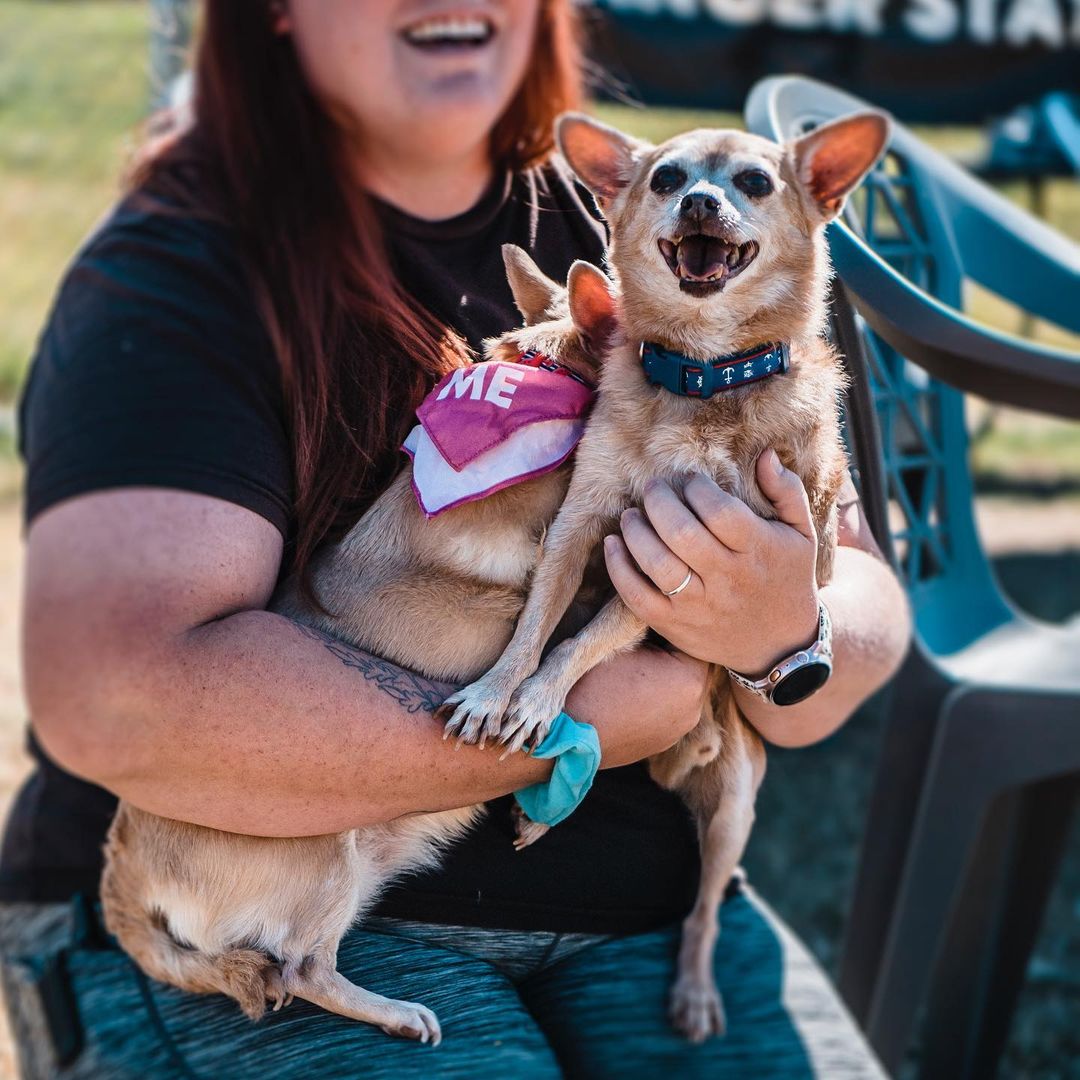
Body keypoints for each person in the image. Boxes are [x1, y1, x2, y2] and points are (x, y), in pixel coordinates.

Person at [0, 1, 911, 1076]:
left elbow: (867, 606)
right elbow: (122, 696)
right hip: (261, 903)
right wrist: (570, 727)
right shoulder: (180, 273)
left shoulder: (663, 236)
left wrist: (789, 634)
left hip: (645, 917)